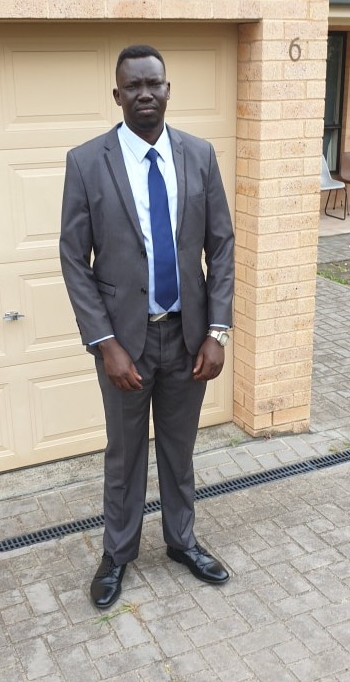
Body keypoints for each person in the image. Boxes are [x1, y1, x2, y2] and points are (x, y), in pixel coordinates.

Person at [59, 44, 235, 609]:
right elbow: (72, 258)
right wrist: (104, 343)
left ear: (167, 89)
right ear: (117, 95)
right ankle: (118, 554)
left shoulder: (199, 155)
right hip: (125, 346)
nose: (144, 94)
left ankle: (182, 542)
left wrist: (219, 330)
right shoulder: (88, 162)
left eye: (153, 84)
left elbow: (221, 247)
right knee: (126, 453)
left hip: (189, 339)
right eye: (133, 86)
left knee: (179, 451)